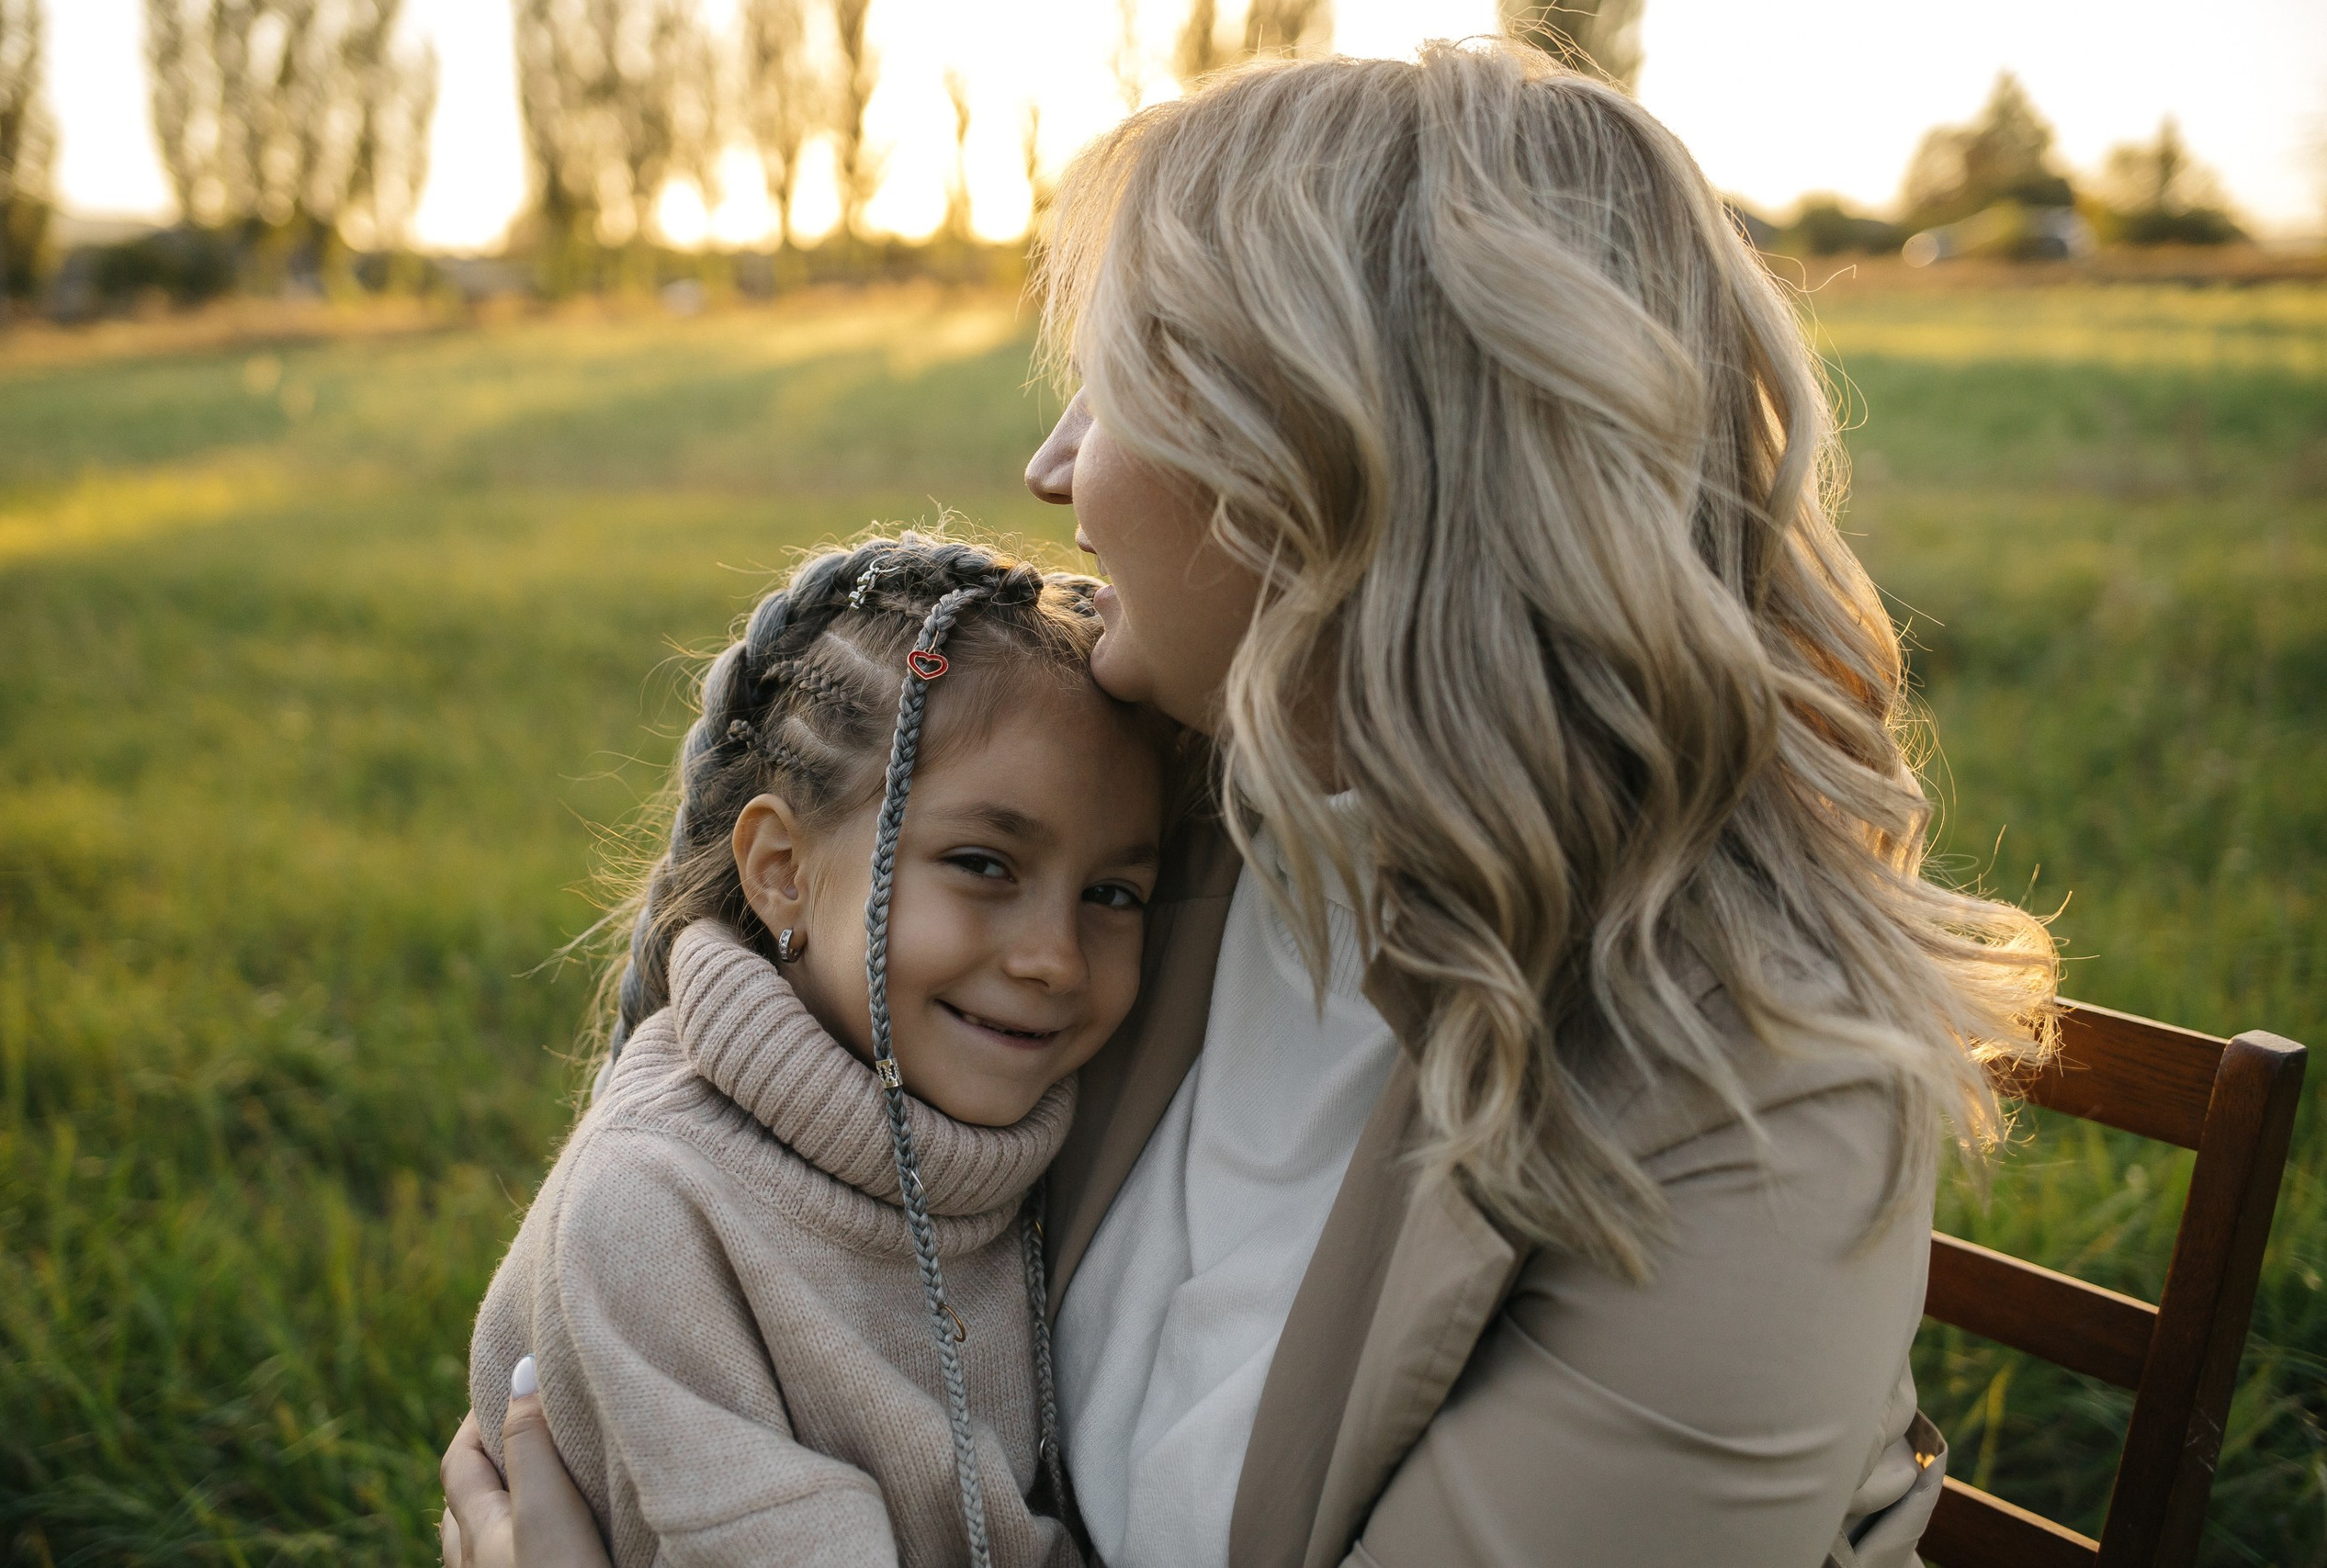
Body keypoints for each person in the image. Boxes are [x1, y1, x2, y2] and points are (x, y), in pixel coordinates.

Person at [444, 39, 2058, 1568]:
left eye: (1113, 383)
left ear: (1335, 457)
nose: (1053, 466)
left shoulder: (1752, 1103)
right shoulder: (1183, 801)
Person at [462, 536, 1167, 1568]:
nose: (1057, 958)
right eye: (981, 864)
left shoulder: (1045, 1147)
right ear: (783, 871)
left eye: (1112, 895)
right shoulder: (651, 1216)